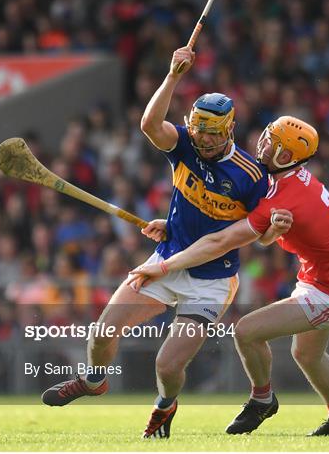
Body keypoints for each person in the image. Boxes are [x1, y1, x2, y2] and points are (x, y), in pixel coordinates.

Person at [41, 46, 288, 438]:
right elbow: (150, 125)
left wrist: (272, 230)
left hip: (211, 281)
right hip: (167, 257)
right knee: (102, 332)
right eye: (200, 131)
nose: (204, 141)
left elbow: (252, 237)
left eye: (213, 135)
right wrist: (173, 74)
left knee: (167, 367)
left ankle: (165, 405)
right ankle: (93, 381)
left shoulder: (251, 175)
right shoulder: (186, 144)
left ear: (229, 130)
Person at [129, 115, 329, 437]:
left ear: (285, 157)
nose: (260, 142)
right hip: (323, 278)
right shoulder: (284, 180)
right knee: (306, 354)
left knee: (247, 331)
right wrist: (174, 228)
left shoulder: (283, 194)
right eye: (266, 135)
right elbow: (264, 234)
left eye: (271, 143)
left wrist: (165, 266)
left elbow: (222, 240)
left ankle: (262, 399)